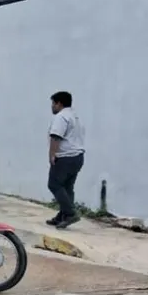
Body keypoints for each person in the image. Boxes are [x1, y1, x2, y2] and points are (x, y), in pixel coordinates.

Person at [47, 91, 85, 229]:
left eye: (53, 103)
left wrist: (52, 155)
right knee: (67, 187)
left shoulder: (61, 117)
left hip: (65, 158)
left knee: (54, 184)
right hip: (78, 157)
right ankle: (62, 215)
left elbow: (56, 137)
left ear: (59, 103)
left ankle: (70, 213)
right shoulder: (75, 116)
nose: (52, 106)